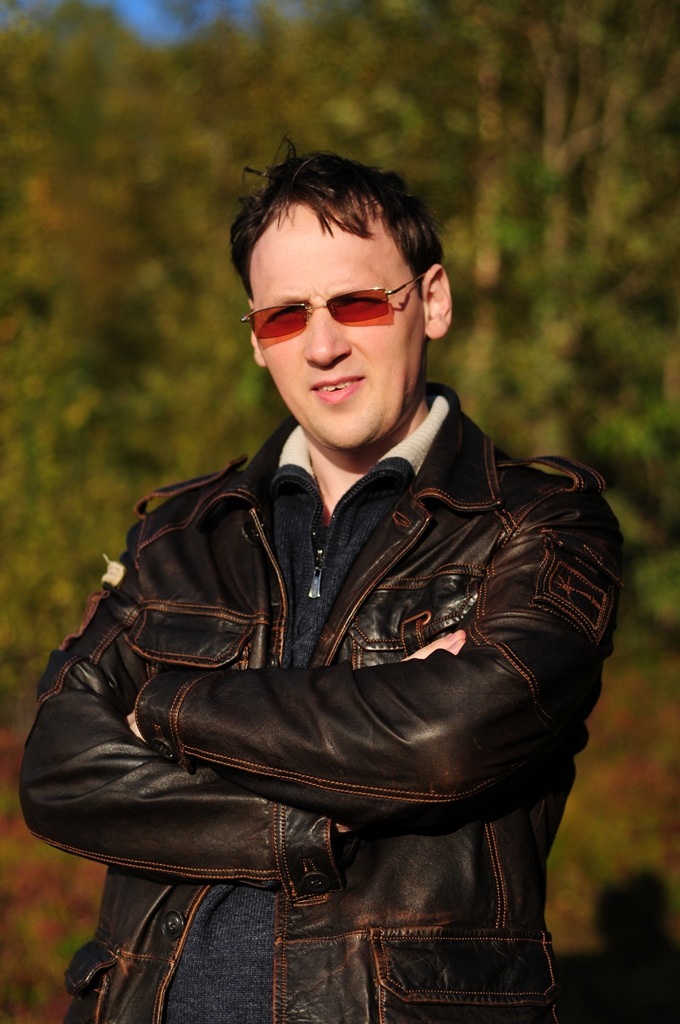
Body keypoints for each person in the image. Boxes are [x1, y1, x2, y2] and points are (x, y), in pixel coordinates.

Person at [20, 148, 623, 1024]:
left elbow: (442, 743)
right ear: (255, 340)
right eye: (284, 316)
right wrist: (315, 815)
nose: (323, 344)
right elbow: (56, 768)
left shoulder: (537, 524)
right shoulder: (178, 537)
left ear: (434, 300)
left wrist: (165, 709)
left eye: (359, 302)